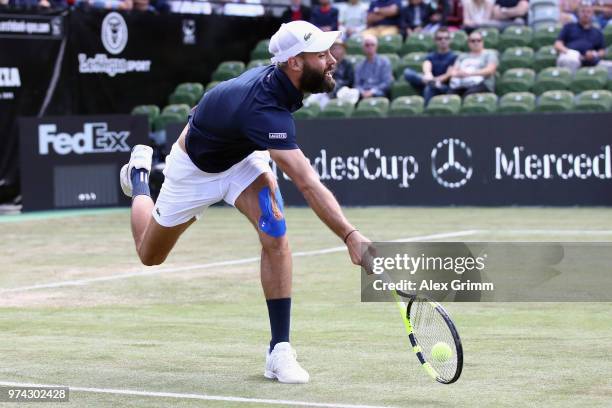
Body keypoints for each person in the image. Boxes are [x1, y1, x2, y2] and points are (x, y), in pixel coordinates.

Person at [119, 20, 369, 384]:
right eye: (322, 54)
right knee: (149, 254)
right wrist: (350, 235)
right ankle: (140, 176)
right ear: (295, 63)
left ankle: (279, 350)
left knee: (275, 229)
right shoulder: (263, 106)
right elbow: (307, 182)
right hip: (193, 169)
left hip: (242, 159)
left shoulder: (286, 82)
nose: (332, 60)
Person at [403, 27, 458, 103]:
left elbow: (448, 75)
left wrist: (433, 81)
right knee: (407, 72)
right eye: (440, 38)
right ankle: (430, 83)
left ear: (450, 40)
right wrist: (428, 77)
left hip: (444, 86)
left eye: (446, 38)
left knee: (429, 87)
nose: (443, 41)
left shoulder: (454, 56)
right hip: (429, 80)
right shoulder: (431, 56)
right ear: (435, 40)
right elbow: (427, 67)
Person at [555, 2, 606, 75]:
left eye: (588, 12)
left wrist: (594, 54)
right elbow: (558, 44)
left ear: (592, 14)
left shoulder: (597, 32)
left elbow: (602, 51)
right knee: (570, 61)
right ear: (578, 13)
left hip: (590, 61)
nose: (585, 14)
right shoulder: (569, 27)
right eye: (583, 11)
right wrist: (570, 52)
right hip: (570, 56)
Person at [449, 30, 498, 96]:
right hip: (462, 83)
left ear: (482, 42)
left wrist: (470, 74)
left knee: (469, 94)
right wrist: (459, 73)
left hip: (483, 84)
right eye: (473, 41)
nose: (476, 43)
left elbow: (490, 70)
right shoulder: (462, 56)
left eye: (478, 40)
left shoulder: (489, 54)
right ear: (468, 43)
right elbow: (453, 71)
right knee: (450, 95)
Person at [353, 34, 394, 98]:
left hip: (379, 93)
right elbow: (357, 84)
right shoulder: (359, 66)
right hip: (363, 93)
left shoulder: (384, 63)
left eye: (372, 45)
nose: (370, 47)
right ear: (363, 48)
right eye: (367, 45)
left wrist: (372, 91)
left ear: (376, 47)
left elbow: (386, 83)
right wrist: (362, 92)